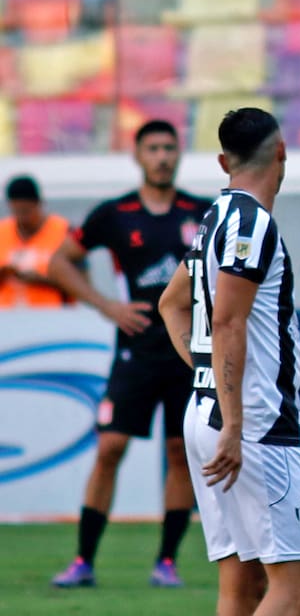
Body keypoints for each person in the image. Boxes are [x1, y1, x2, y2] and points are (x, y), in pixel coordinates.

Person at [159, 107, 300, 616]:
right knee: (297, 581)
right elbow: (227, 320)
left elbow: (171, 304)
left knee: (241, 578)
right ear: (282, 153)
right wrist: (232, 420)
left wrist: (205, 377)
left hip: (209, 411)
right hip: (253, 426)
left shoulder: (212, 220)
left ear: (224, 161)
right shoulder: (251, 223)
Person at [47, 119, 210, 588]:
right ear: (137, 156)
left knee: (180, 452)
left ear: (179, 154)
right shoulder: (115, 213)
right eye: (152, 148)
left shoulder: (201, 212)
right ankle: (83, 561)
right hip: (135, 352)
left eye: (169, 148)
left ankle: (167, 562)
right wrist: (107, 306)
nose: (162, 157)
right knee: (110, 448)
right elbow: (59, 262)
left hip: (185, 351)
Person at [0, 174, 73, 307]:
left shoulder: (62, 231)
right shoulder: (2, 232)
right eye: (17, 210)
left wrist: (41, 279)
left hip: (53, 314)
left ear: (38, 203)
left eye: (26, 211)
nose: (22, 217)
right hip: (7, 315)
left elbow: (81, 282)